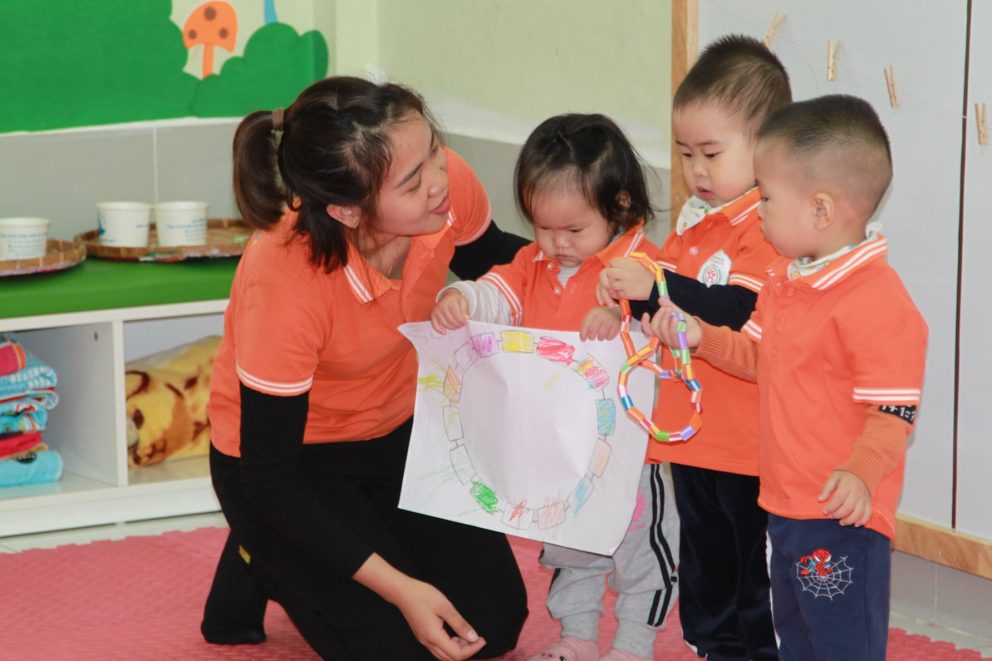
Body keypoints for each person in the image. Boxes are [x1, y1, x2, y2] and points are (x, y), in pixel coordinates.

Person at [200, 76, 530, 661]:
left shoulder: (444, 187)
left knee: (490, 627)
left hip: (394, 429)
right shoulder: (286, 279)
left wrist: (590, 276)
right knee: (400, 648)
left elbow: (498, 260)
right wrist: (402, 591)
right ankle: (258, 553)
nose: (439, 181)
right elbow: (272, 479)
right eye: (413, 181)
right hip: (286, 465)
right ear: (347, 210)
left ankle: (279, 550)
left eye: (435, 151)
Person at [646, 94, 928, 661]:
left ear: (820, 210)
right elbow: (758, 357)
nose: (759, 211)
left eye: (768, 198)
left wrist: (861, 471)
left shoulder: (876, 299)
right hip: (784, 501)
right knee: (794, 637)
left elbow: (893, 409)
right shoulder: (785, 280)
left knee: (842, 642)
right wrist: (702, 337)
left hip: (840, 511)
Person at [431, 113, 679, 661]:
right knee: (571, 551)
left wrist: (624, 318)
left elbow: (670, 323)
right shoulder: (533, 261)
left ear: (619, 207)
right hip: (561, 452)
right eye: (543, 227)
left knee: (640, 555)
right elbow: (500, 291)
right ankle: (577, 638)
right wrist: (463, 298)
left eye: (573, 230)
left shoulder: (640, 265)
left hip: (634, 455)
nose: (557, 243)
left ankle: (633, 646)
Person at [598, 35, 789, 660]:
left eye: (711, 153)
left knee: (754, 572)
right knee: (704, 562)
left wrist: (656, 282)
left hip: (749, 446)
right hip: (692, 434)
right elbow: (666, 310)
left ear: (767, 145)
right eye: (685, 154)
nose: (696, 170)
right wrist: (626, 292)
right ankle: (714, 648)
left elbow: (735, 309)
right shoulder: (694, 225)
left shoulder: (767, 226)